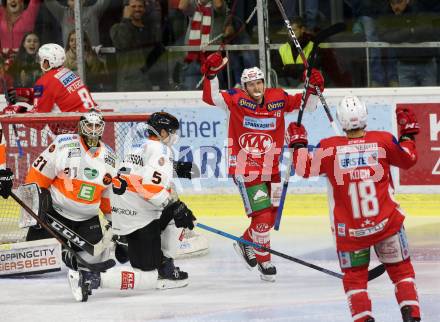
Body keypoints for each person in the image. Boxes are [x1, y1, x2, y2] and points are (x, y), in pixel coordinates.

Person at [286, 96, 421, 322]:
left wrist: (298, 143)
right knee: (402, 272)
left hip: (350, 233)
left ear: (341, 120)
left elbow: (302, 168)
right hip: (387, 226)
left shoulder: (329, 147)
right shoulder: (384, 141)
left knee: (355, 280)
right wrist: (407, 133)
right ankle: (412, 317)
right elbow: (409, 159)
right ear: (365, 117)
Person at [201, 52, 324, 281]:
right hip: (246, 168)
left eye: (259, 82)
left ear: (264, 84)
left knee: (270, 216)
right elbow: (211, 97)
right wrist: (211, 75)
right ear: (244, 86)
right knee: (263, 217)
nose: (256, 87)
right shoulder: (235, 99)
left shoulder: (278, 97)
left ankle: (245, 242)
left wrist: (314, 88)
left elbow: (309, 107)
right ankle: (264, 263)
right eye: (251, 84)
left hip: (272, 167)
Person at [68, 112, 196, 302]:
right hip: (140, 217)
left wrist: (174, 168)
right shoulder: (162, 149)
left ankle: (165, 265)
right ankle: (90, 278)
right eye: (171, 132)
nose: (174, 136)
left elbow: (136, 175)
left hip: (123, 214)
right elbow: (151, 187)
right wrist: (176, 207)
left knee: (176, 214)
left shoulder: (136, 146)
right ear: (161, 132)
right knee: (148, 277)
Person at [24, 109, 116, 283]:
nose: (94, 129)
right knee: (34, 260)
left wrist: (115, 223)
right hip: (55, 215)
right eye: (89, 124)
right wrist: (34, 211)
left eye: (97, 125)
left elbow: (107, 196)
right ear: (81, 126)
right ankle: (64, 251)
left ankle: (68, 253)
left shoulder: (111, 158)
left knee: (98, 256)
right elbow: (37, 174)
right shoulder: (63, 143)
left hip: (87, 220)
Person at [3, 43, 97, 115]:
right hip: (93, 122)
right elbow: (48, 94)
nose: (39, 62)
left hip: (73, 130)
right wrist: (21, 93)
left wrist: (16, 112)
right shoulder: (67, 72)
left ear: (47, 62)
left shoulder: (45, 81)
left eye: (41, 59)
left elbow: (38, 121)